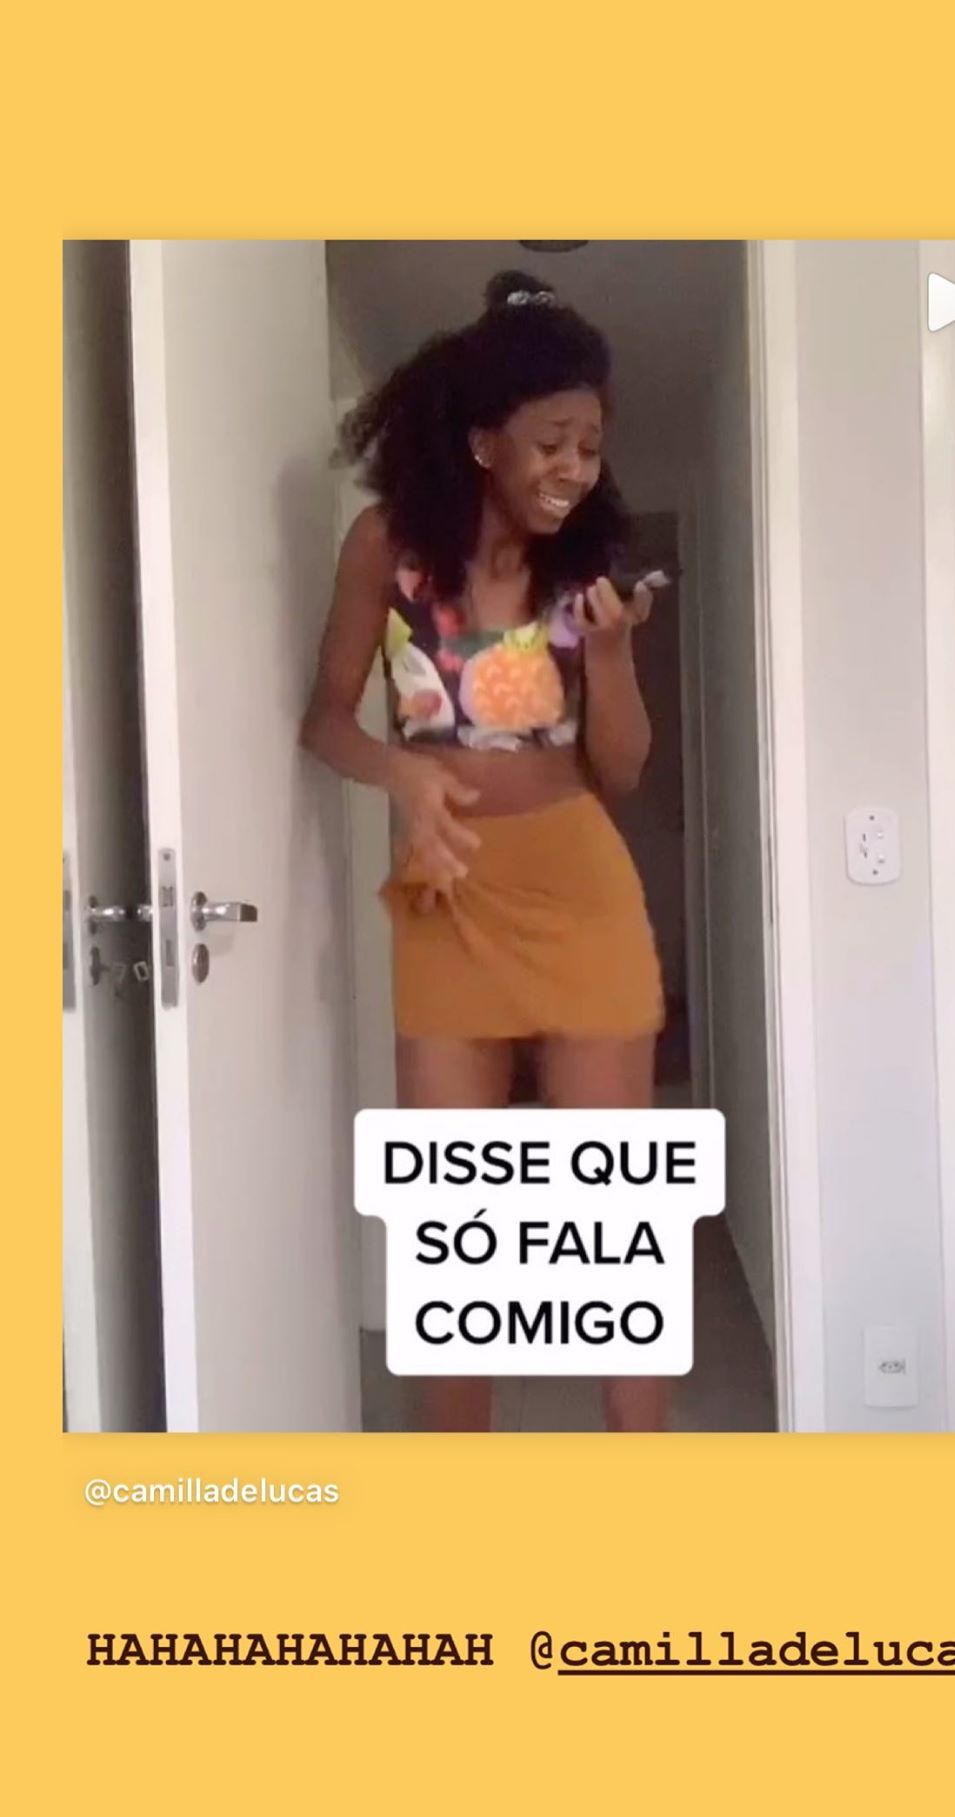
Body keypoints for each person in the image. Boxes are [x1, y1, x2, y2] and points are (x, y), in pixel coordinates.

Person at [301, 268, 667, 1432]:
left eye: (590, 445)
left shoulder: (587, 573)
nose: (575, 467)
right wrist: (403, 771)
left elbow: (622, 773)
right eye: (552, 441)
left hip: (580, 894)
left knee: (615, 1228)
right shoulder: (387, 548)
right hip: (448, 895)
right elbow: (325, 722)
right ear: (480, 442)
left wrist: (610, 658)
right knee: (452, 1241)